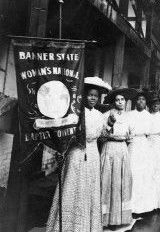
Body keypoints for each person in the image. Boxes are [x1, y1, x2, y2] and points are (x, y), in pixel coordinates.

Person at [46, 76, 111, 232]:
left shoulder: (99, 115)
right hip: (76, 153)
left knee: (89, 188)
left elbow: (103, 136)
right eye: (90, 95)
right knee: (73, 186)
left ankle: (87, 227)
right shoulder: (76, 112)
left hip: (93, 154)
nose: (93, 98)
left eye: (95, 96)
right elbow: (66, 134)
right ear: (84, 95)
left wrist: (110, 125)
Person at [100, 87, 137, 228]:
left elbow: (131, 139)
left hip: (122, 150)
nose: (120, 102)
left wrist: (128, 156)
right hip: (109, 148)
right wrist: (109, 125)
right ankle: (106, 219)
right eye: (117, 100)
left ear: (125, 102)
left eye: (122, 100)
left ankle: (120, 218)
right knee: (108, 182)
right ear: (113, 102)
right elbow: (102, 136)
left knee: (121, 183)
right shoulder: (106, 115)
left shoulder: (129, 117)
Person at [127, 89, 157, 214]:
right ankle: (131, 207)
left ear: (146, 103)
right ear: (135, 101)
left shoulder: (149, 117)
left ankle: (144, 207)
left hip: (144, 147)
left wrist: (150, 151)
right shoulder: (129, 115)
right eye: (138, 99)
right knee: (133, 174)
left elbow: (152, 136)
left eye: (143, 99)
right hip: (132, 146)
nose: (141, 101)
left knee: (144, 175)